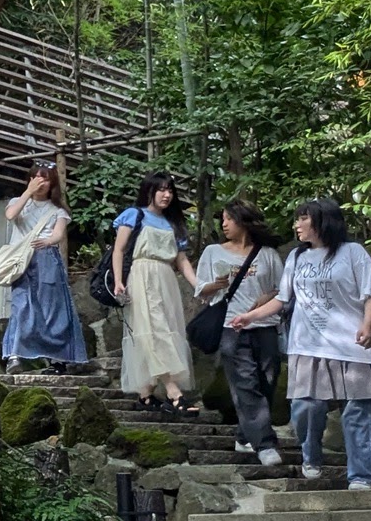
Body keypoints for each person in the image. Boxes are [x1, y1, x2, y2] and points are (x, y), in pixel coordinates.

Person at [232, 198, 371, 488]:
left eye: (303, 219)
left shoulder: (353, 252)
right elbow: (282, 298)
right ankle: (311, 454)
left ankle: (362, 476)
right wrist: (250, 316)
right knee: (305, 408)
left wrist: (367, 326)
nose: (297, 225)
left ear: (322, 221)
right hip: (306, 344)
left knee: (358, 410)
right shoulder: (296, 257)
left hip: (350, 343)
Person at [195, 199, 286, 467]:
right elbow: (200, 291)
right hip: (230, 328)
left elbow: (281, 288)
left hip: (265, 326)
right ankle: (266, 445)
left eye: (228, 218)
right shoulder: (213, 252)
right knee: (246, 384)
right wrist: (216, 284)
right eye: (221, 218)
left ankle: (245, 436)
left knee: (267, 381)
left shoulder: (267, 253)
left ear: (243, 220)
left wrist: (266, 297)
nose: (223, 224)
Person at [112, 172, 196, 412]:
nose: (166, 194)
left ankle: (146, 394)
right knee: (154, 330)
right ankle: (173, 392)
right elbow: (119, 250)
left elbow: (181, 260)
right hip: (141, 275)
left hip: (166, 279)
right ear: (149, 191)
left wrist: (197, 286)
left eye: (170, 190)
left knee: (163, 330)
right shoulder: (134, 215)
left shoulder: (173, 224)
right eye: (161, 189)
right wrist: (119, 281)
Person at [1, 160, 86, 369]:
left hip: (47, 258)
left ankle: (58, 357)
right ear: (30, 179)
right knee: (21, 305)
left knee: (52, 309)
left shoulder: (57, 210)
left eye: (46, 179)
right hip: (22, 259)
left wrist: (47, 241)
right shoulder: (17, 201)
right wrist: (28, 193)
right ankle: (15, 354)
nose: (41, 183)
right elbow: (10, 215)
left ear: (52, 184)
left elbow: (58, 234)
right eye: (37, 177)